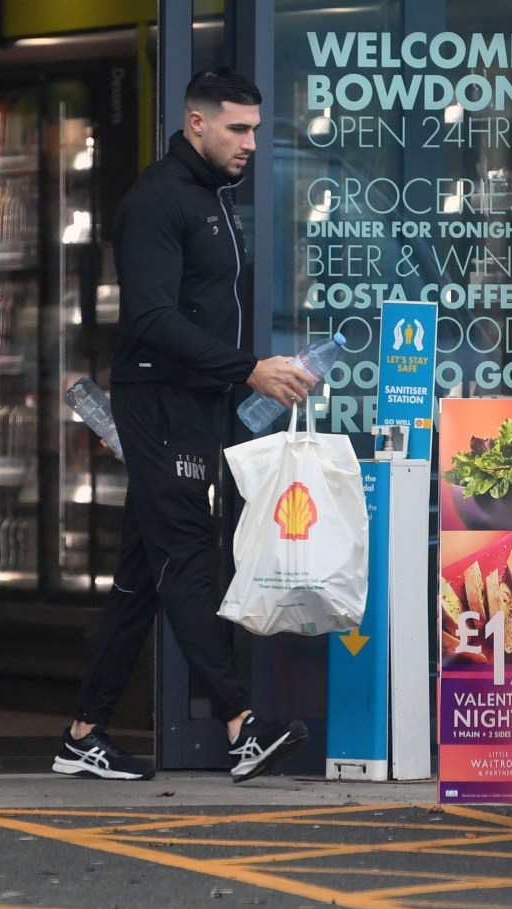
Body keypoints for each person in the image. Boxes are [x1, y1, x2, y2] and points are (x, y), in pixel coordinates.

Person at [52, 67, 314, 783]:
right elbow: (151, 318)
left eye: (256, 130)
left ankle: (83, 734)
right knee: (186, 557)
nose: (250, 143)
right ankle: (240, 723)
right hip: (160, 404)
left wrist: (244, 376)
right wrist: (246, 368)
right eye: (237, 128)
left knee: (143, 572)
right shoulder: (158, 200)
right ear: (196, 123)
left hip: (192, 405)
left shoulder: (210, 200)